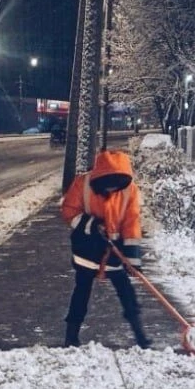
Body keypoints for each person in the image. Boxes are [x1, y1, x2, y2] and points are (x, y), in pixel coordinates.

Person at [60, 149, 151, 349]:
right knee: (82, 290)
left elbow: (131, 222)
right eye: (106, 185)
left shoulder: (129, 190)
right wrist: (92, 225)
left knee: (126, 292)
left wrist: (133, 259)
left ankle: (140, 335)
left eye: (115, 186)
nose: (111, 190)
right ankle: (71, 335)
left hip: (114, 252)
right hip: (87, 248)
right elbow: (68, 210)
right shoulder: (82, 183)